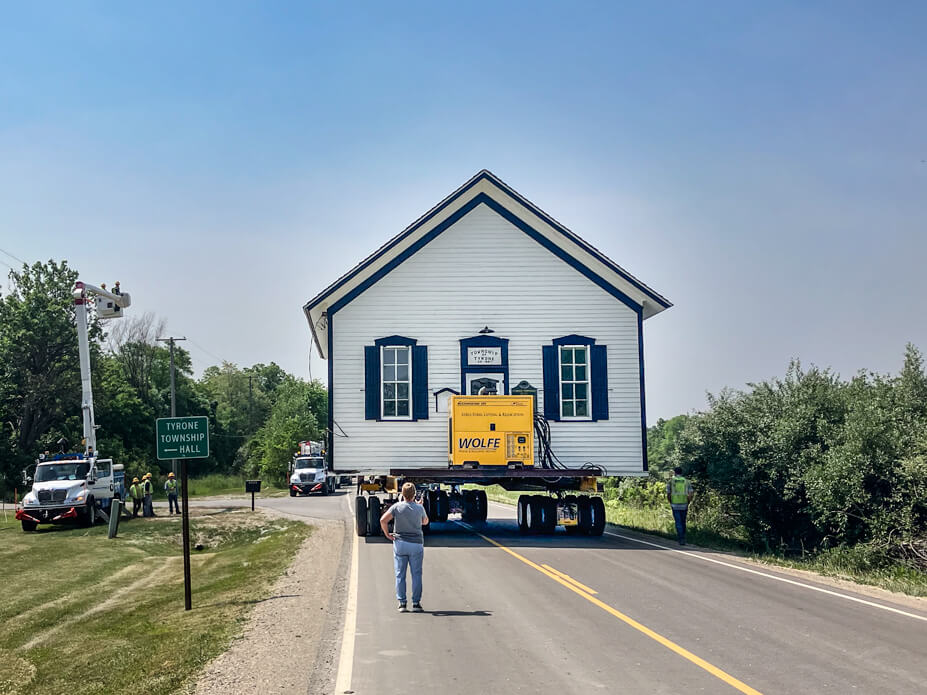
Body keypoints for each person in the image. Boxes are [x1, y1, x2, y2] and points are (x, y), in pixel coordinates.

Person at [380, 482, 429, 613]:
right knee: (416, 574)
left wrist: (388, 535)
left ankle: (402, 603)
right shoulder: (419, 508)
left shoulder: (396, 507)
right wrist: (420, 507)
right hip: (416, 544)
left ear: (402, 494)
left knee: (400, 574)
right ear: (414, 494)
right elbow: (425, 522)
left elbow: (383, 520)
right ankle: (416, 603)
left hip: (400, 543)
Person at [666, 466, 694, 545]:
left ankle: (680, 538)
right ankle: (683, 537)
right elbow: (691, 493)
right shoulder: (687, 481)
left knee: (678, 522)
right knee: (683, 521)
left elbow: (668, 494)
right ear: (681, 472)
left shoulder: (671, 481)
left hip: (675, 504)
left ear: (675, 472)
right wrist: (688, 501)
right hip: (684, 504)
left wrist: (670, 501)